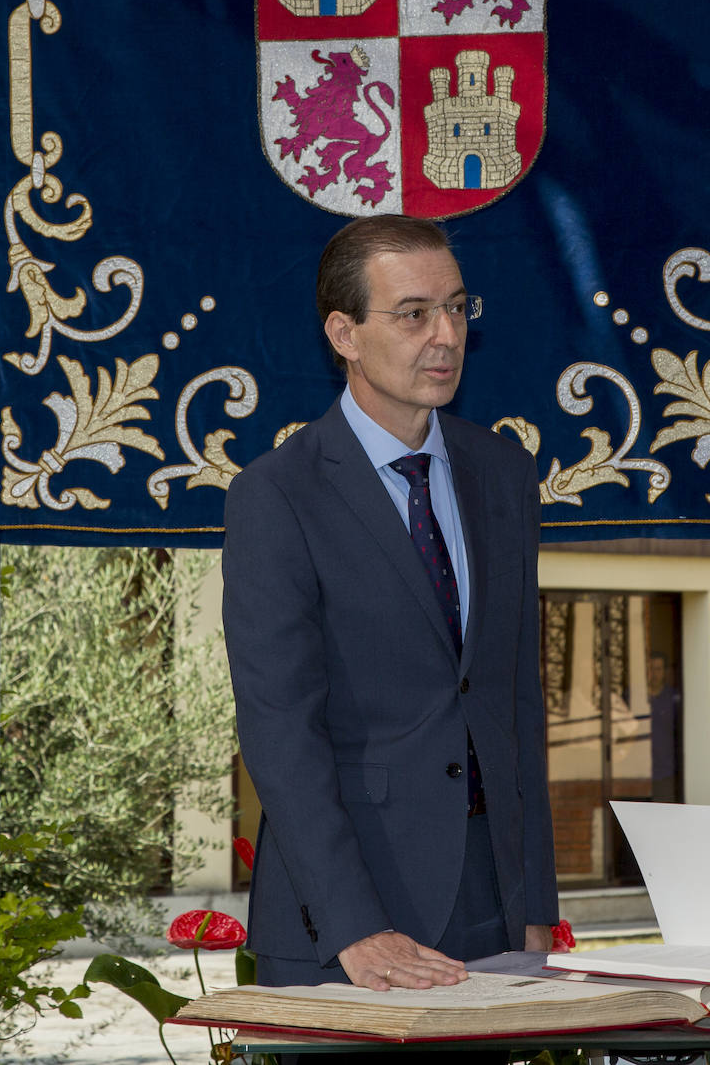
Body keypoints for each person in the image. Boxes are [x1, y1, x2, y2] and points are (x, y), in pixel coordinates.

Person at [221, 215, 558, 1007]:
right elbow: (280, 731)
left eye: (457, 308)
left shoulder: (504, 473)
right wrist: (353, 926)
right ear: (344, 333)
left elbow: (516, 699)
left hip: (492, 912)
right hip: (342, 921)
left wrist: (534, 901)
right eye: (413, 313)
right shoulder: (276, 495)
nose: (445, 335)